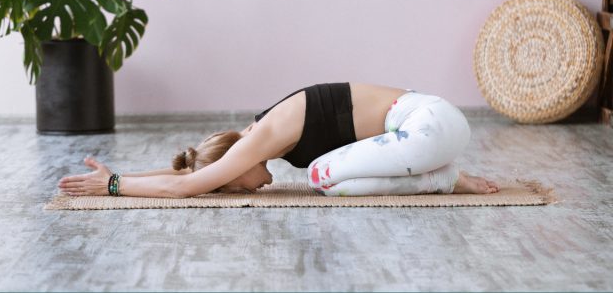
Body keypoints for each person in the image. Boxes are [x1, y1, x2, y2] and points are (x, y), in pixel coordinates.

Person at [58, 83, 499, 198]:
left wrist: (115, 188)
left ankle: (445, 177)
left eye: (234, 183)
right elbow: (192, 175)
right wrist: (124, 175)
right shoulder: (259, 136)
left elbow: (185, 187)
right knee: (329, 181)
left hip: (430, 123)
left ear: (236, 159)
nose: (250, 187)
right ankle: (443, 174)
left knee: (321, 176)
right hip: (426, 134)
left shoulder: (266, 132)